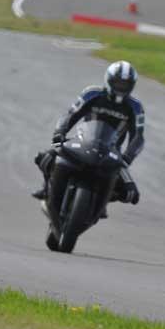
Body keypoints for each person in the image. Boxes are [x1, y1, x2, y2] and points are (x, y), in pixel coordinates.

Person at [32, 60, 144, 214]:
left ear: (132, 85)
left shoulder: (135, 107)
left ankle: (102, 202)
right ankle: (46, 189)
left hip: (112, 153)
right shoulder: (92, 93)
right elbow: (70, 115)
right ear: (109, 80)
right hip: (82, 142)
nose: (120, 87)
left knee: (131, 192)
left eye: (125, 84)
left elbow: (138, 137)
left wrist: (127, 157)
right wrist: (59, 134)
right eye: (117, 83)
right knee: (44, 158)